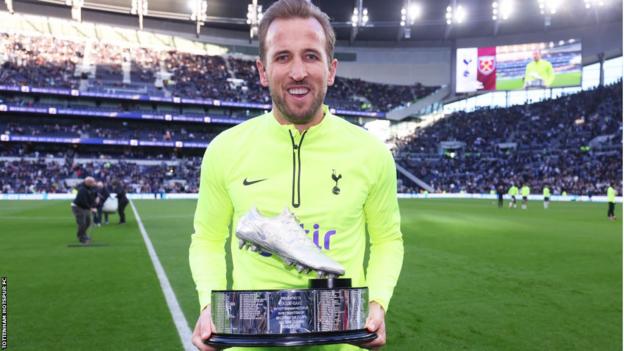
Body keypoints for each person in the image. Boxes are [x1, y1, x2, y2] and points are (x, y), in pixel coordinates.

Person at [189, 1, 404, 350]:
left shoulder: (371, 152)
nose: (298, 71)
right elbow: (207, 239)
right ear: (262, 70)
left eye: (311, 56)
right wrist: (207, 305)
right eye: (283, 57)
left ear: (331, 70)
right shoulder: (224, 149)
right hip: (250, 343)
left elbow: (387, 240)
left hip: (343, 341)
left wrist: (378, 302)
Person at [71, 176, 97, 244]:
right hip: (78, 207)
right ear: (88, 183)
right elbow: (83, 201)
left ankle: (84, 234)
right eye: (93, 182)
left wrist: (94, 206)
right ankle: (81, 237)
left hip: (85, 207)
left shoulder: (90, 188)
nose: (94, 183)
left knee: (88, 222)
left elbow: (91, 199)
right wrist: (91, 208)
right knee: (82, 223)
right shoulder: (82, 190)